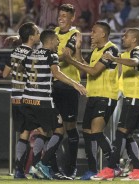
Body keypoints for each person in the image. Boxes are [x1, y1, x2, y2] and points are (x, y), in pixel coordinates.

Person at [21, 29, 87, 180]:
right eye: (57, 40)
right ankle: (42, 165)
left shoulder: (30, 53)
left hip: (28, 100)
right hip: (43, 100)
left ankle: (37, 168)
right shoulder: (51, 55)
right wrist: (75, 84)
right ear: (50, 41)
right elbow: (56, 73)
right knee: (59, 130)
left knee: (43, 132)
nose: (58, 43)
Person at [89, 28, 139, 181]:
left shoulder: (138, 51)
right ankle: (137, 171)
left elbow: (134, 62)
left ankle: (111, 169)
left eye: (126, 36)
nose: (123, 38)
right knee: (127, 135)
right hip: (133, 98)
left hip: (136, 98)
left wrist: (114, 59)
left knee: (120, 133)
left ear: (134, 40)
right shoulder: (124, 55)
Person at [62, 21, 119, 180]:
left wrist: (70, 60)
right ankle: (93, 170)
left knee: (97, 132)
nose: (91, 34)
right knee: (87, 133)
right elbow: (86, 66)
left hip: (106, 95)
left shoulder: (111, 50)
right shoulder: (96, 51)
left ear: (103, 34)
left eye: (94, 31)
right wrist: (78, 50)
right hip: (93, 96)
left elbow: (94, 71)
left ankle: (114, 166)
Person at [2, 22, 41, 179]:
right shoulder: (32, 54)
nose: (39, 34)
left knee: (24, 134)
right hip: (28, 98)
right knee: (44, 130)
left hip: (15, 97)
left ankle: (19, 170)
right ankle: (38, 169)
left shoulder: (14, 52)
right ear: (32, 37)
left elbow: (5, 74)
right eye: (37, 32)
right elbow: (35, 77)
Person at [51, 4, 82, 178]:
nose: (61, 18)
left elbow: (67, 55)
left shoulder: (75, 34)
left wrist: (49, 58)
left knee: (70, 127)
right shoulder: (53, 32)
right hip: (53, 84)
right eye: (60, 15)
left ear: (72, 18)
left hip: (69, 85)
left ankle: (71, 167)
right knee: (53, 126)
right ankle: (53, 167)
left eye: (65, 15)